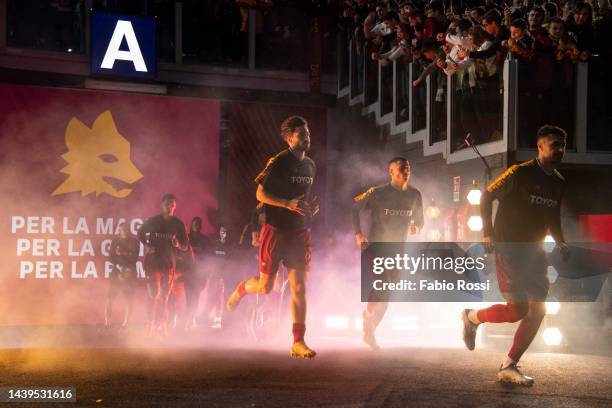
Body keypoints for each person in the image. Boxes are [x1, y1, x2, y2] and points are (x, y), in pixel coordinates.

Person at [461, 125, 569, 386]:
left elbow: (552, 214)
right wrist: (487, 233)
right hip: (509, 248)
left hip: (536, 252)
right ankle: (471, 317)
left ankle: (509, 365)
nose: (560, 149)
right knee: (518, 310)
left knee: (538, 310)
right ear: (540, 147)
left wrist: (561, 242)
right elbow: (486, 197)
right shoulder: (518, 173)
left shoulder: (558, 181)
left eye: (563, 145)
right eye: (555, 144)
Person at [226, 115, 319, 359]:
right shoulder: (278, 161)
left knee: (299, 288)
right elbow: (259, 193)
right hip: (275, 232)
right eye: (301, 134)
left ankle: (298, 341)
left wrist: (308, 208)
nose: (307, 137)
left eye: (308, 133)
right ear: (290, 138)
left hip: (299, 232)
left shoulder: (310, 165)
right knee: (266, 288)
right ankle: (241, 289)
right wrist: (285, 203)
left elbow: (303, 197)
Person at [352, 157, 424, 350]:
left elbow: (420, 220)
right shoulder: (377, 192)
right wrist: (358, 233)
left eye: (407, 166)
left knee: (388, 293)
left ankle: (370, 331)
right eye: (401, 167)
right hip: (377, 246)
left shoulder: (415, 195)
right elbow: (354, 207)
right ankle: (367, 314)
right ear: (391, 171)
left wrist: (417, 227)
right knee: (382, 283)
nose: (405, 169)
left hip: (398, 249)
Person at [138, 193, 188, 336]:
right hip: (153, 262)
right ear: (162, 205)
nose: (170, 205)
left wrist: (178, 244)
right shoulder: (153, 221)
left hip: (168, 264)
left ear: (175, 206)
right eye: (167, 203)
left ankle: (162, 325)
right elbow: (140, 232)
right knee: (154, 294)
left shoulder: (178, 224)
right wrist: (146, 245)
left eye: (172, 203)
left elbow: (185, 246)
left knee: (164, 297)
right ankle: (150, 324)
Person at [105, 222, 140, 329]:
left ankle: (126, 323)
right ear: (119, 230)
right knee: (110, 298)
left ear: (129, 230)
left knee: (129, 299)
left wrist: (121, 254)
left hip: (130, 273)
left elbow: (134, 258)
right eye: (122, 229)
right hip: (116, 273)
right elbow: (110, 258)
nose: (124, 230)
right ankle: (107, 323)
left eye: (126, 228)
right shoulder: (115, 241)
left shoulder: (135, 242)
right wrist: (120, 270)